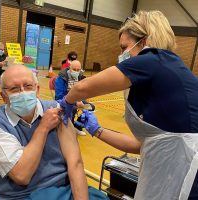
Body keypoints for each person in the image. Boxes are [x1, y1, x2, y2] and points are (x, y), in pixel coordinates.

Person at [60, 10, 198, 200]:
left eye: (124, 47)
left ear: (143, 41)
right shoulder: (166, 73)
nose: (121, 54)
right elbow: (142, 145)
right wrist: (97, 130)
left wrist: (66, 102)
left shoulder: (154, 59)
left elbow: (83, 88)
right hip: (172, 162)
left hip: (187, 170)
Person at [0, 65, 107, 200]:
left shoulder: (56, 109)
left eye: (28, 86)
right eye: (14, 89)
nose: (23, 92)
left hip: (63, 190)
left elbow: (75, 163)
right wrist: (43, 128)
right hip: (19, 196)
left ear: (37, 90)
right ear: (4, 96)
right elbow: (22, 176)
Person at [55, 60, 95, 136]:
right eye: (74, 69)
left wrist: (82, 100)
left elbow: (84, 91)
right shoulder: (61, 77)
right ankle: (68, 127)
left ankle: (77, 126)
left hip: (77, 100)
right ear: (69, 68)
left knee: (90, 107)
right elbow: (59, 95)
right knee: (72, 108)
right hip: (63, 100)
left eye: (78, 70)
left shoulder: (80, 77)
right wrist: (75, 102)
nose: (76, 72)